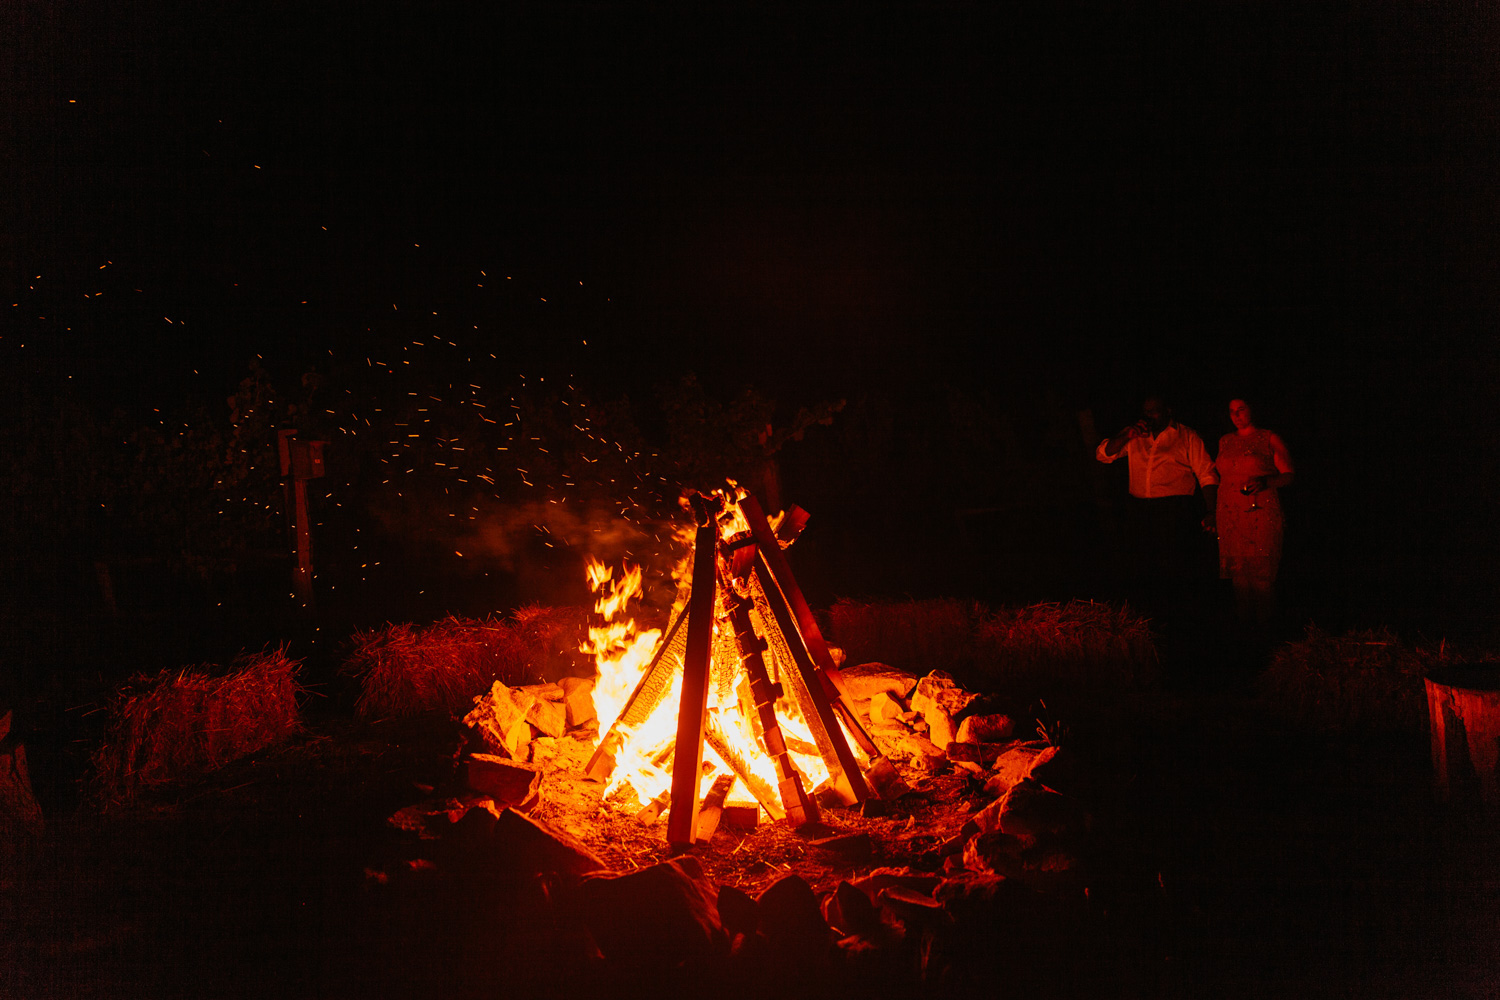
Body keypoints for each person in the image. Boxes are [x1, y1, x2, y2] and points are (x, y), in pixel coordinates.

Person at [1095, 396, 1219, 615]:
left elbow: (1206, 473)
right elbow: (1104, 454)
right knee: (1142, 565)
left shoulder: (1186, 435)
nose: (1149, 416)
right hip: (1140, 509)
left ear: (1167, 411)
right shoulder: (1135, 436)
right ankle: (1148, 615)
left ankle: (1180, 613)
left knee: (1173, 565)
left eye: (1154, 411)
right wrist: (1126, 434)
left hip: (1173, 508)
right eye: (1146, 411)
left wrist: (1212, 511)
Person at [1214, 398, 1294, 626]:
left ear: (1252, 409)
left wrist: (1267, 481)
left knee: (1261, 575)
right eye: (1232, 412)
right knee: (1238, 577)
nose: (1236, 416)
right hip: (1230, 512)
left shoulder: (1268, 437)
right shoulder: (1225, 440)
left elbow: (1289, 474)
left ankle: (1266, 628)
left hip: (1259, 510)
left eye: (1241, 410)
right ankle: (1244, 628)